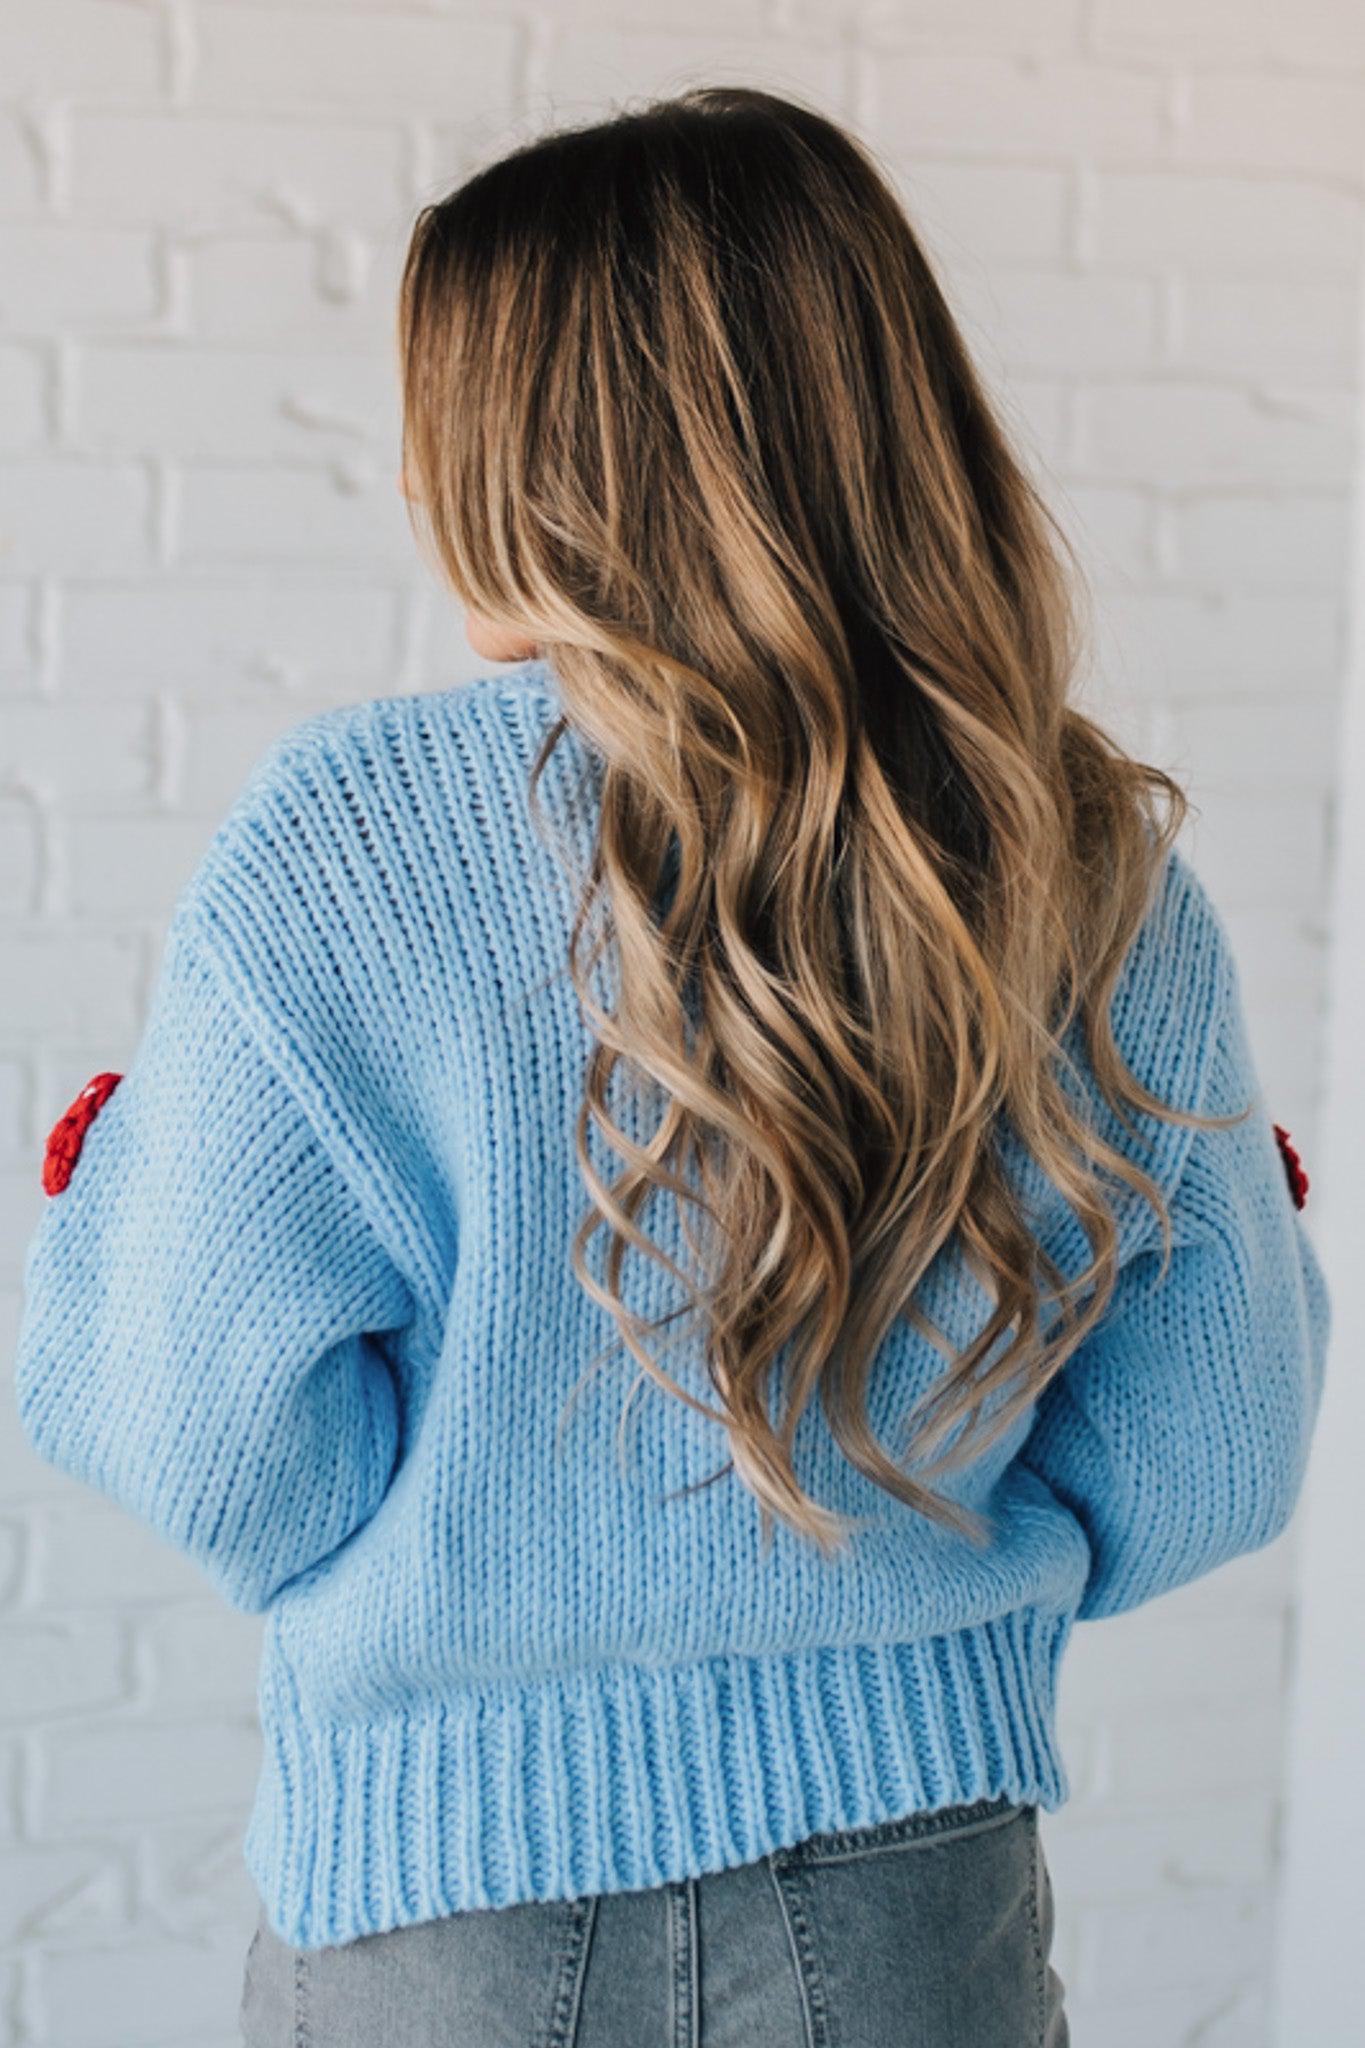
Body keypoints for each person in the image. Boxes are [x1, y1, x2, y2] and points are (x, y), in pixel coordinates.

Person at [12, 85, 1330, 2048]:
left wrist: (125, 1191)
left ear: (532, 456)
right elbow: (1203, 1454)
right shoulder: (1079, 860)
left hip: (439, 1914)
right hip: (911, 1904)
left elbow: (227, 1461)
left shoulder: (344, 845)